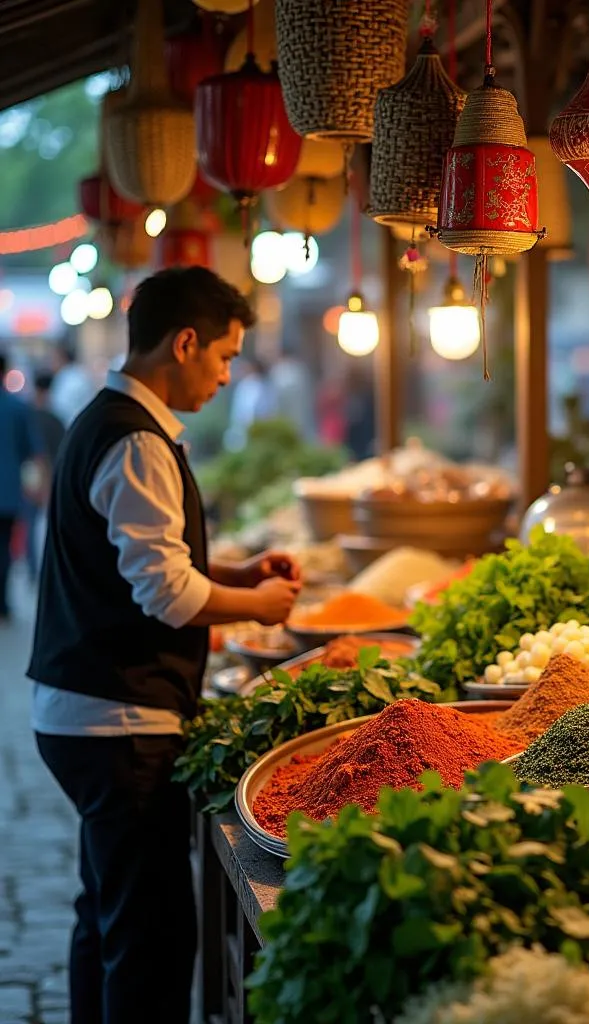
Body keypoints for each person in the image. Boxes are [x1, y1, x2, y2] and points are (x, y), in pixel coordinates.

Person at [27, 268, 303, 1024]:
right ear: (184, 343)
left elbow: (144, 565)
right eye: (224, 356)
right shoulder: (137, 443)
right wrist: (261, 603)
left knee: (108, 917)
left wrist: (237, 572)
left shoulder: (107, 419)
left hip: (85, 714)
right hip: (119, 724)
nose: (226, 375)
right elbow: (167, 595)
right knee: (150, 937)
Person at [1, 352, 42, 621]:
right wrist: (36, 487)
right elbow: (34, 453)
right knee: (4, 546)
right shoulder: (17, 407)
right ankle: (2, 603)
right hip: (8, 492)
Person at [22, 372, 67, 582]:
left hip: (30, 478)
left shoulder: (27, 415)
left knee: (31, 525)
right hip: (52, 478)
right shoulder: (55, 419)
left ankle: (33, 569)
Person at [224, 356, 278, 449]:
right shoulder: (256, 385)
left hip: (251, 431)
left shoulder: (251, 385)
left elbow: (247, 412)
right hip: (250, 432)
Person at [49, 345, 97, 427]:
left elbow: (61, 409)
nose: (50, 364)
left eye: (53, 359)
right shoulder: (78, 375)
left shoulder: (69, 380)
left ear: (62, 358)